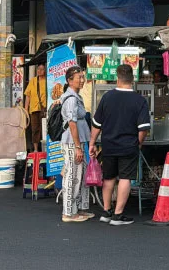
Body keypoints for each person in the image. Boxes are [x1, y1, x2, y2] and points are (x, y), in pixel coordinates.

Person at [90, 64, 150, 226]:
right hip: (128, 146)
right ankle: (118, 215)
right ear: (132, 79)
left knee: (108, 177)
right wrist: (139, 143)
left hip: (108, 145)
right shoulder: (139, 100)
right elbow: (143, 129)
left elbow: (96, 124)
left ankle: (106, 211)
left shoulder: (107, 97)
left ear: (117, 78)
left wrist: (92, 143)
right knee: (125, 178)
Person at [61, 66, 93, 223]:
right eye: (78, 77)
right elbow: (72, 123)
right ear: (69, 80)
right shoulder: (71, 99)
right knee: (72, 176)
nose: (82, 80)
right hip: (72, 142)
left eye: (82, 77)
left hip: (79, 141)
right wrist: (78, 147)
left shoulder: (76, 96)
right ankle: (68, 212)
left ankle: (78, 208)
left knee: (80, 175)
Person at [24, 64, 46, 152]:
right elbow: (28, 95)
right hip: (34, 109)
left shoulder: (47, 81)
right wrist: (26, 109)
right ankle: (36, 149)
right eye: (38, 69)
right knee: (35, 129)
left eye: (42, 69)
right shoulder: (33, 81)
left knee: (44, 129)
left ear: (45, 70)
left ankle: (45, 149)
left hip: (44, 109)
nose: (39, 71)